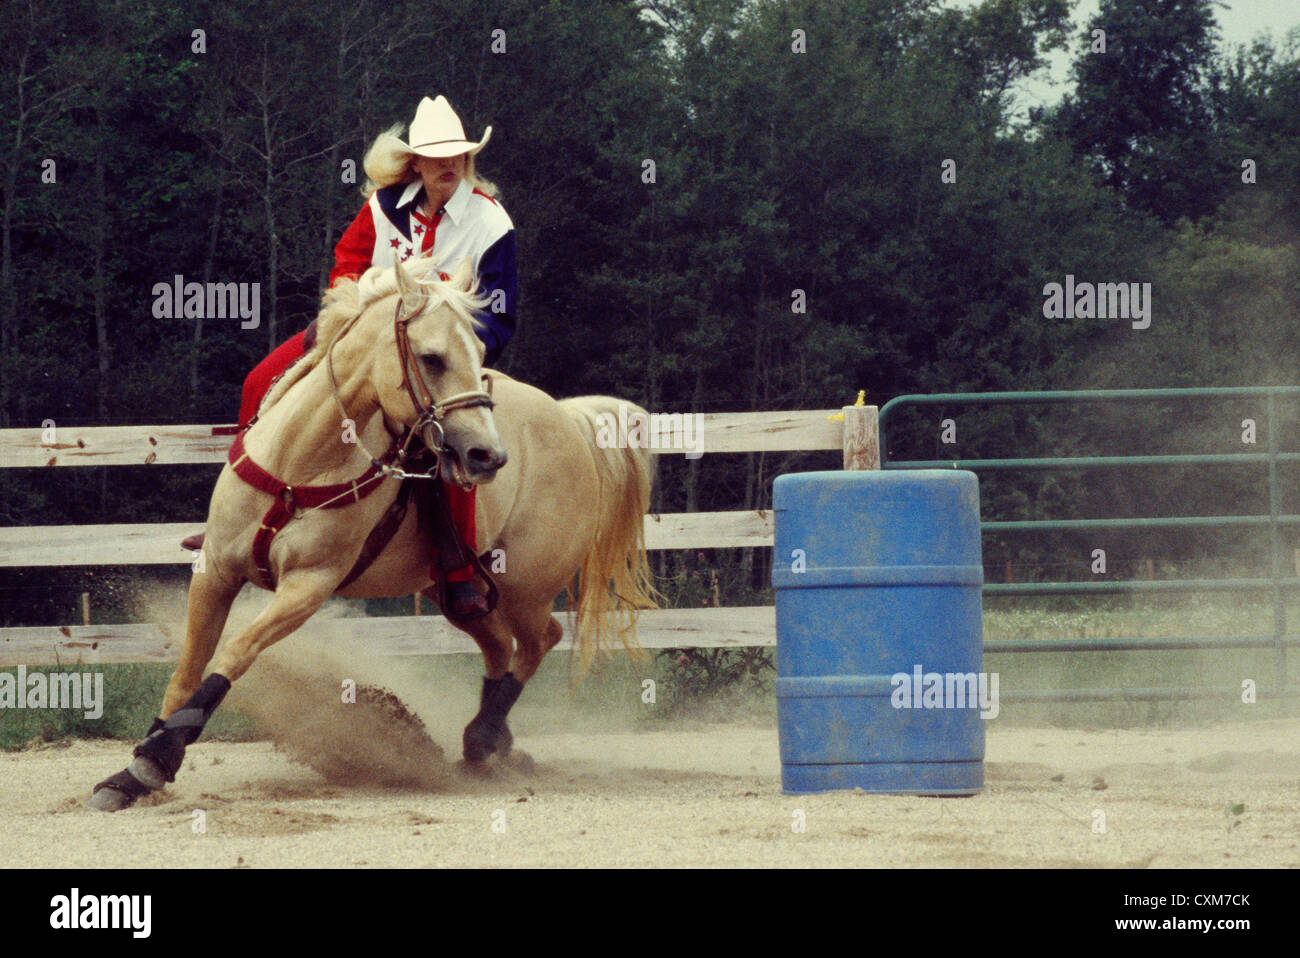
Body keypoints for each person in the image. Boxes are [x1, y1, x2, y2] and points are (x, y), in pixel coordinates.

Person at [221, 95, 518, 617]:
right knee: (257, 380)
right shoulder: (382, 208)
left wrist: (455, 351)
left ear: (468, 160)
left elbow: (500, 310)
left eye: (458, 156)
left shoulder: (491, 223)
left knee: (452, 442)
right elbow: (347, 264)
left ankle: (457, 568)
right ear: (416, 163)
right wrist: (353, 309)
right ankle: (232, 522)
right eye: (436, 156)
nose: (449, 165)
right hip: (360, 336)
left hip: (440, 357)